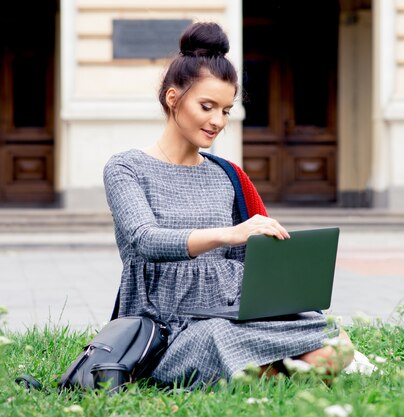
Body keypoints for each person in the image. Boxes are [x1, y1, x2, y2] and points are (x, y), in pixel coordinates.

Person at [102, 21, 354, 388]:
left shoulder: (226, 174)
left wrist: (278, 266)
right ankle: (269, 371)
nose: (218, 121)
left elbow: (245, 263)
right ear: (173, 98)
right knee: (219, 340)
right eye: (207, 106)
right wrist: (230, 234)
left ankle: (264, 370)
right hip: (168, 325)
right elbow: (145, 240)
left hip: (234, 312)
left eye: (226, 110)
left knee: (337, 346)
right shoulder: (126, 167)